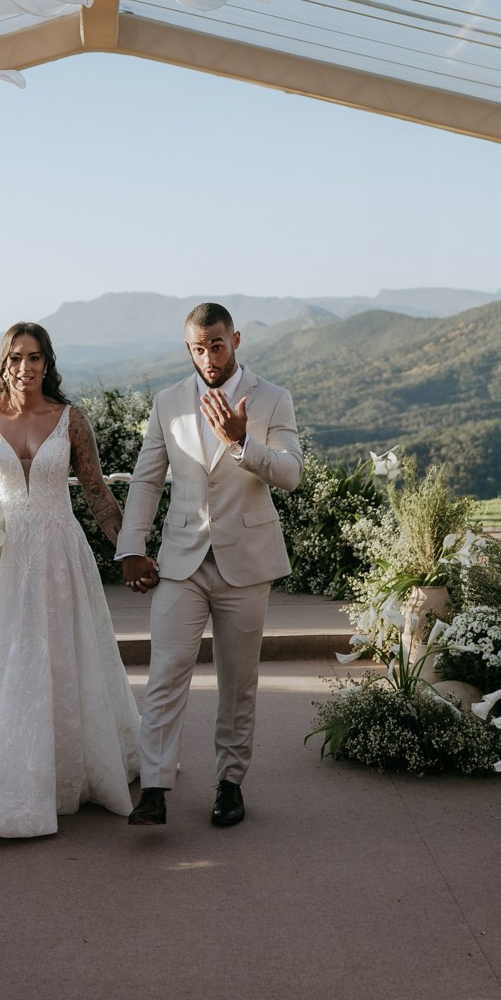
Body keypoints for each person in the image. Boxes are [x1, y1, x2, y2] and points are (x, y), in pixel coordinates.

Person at [0, 323, 140, 837]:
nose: (25, 367)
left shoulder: (72, 420)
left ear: (48, 363)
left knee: (62, 654)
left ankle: (64, 769)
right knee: (5, 655)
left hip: (60, 554)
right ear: (4, 362)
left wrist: (130, 551)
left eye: (35, 357)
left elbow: (98, 495)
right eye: (16, 357)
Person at [120, 301, 303, 830]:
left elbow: (291, 473)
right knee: (165, 675)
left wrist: (242, 443)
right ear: (188, 349)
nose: (208, 358)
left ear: (237, 340)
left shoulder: (273, 398)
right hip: (182, 560)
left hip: (246, 562)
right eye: (198, 349)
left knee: (238, 682)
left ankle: (230, 784)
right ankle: (154, 788)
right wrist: (133, 546)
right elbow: (148, 479)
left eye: (217, 346)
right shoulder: (168, 402)